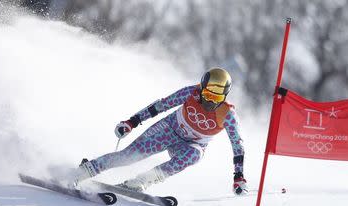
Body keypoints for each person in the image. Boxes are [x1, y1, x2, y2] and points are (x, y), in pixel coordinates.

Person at [74, 67, 248, 195]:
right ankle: (89, 169)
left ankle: (142, 180)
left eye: (217, 98)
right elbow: (161, 105)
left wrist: (238, 175)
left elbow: (237, 145)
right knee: (129, 156)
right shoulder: (191, 93)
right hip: (168, 130)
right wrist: (131, 122)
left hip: (191, 145)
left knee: (195, 155)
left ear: (225, 96)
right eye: (208, 95)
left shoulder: (227, 114)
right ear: (201, 88)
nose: (211, 102)